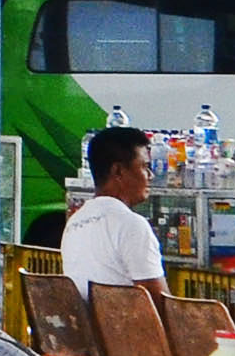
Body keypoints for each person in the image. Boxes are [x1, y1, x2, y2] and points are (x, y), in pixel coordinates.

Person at [61, 126, 168, 295]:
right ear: (118, 171)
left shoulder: (74, 222)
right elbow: (162, 305)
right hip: (128, 321)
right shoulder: (131, 226)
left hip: (86, 321)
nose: (150, 175)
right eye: (144, 166)